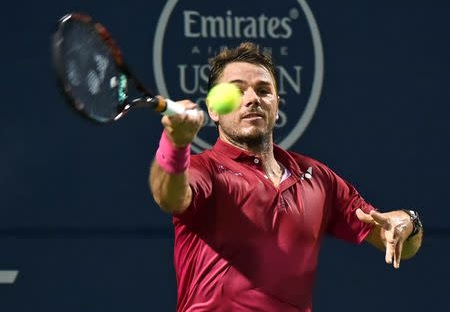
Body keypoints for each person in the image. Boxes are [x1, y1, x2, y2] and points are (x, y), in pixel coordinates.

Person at [149, 42, 423, 312]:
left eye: (263, 90)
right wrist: (176, 145)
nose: (252, 98)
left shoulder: (318, 177)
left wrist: (408, 222)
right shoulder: (204, 169)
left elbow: (397, 243)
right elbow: (170, 197)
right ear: (213, 109)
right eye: (237, 91)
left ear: (277, 104)